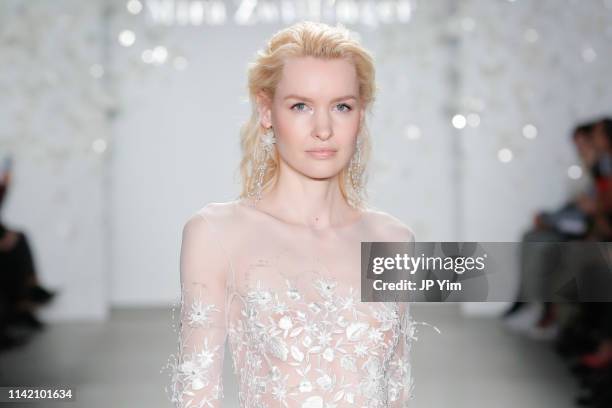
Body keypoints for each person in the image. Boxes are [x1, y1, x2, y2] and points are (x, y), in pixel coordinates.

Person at [164, 21, 439, 408]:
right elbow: (196, 395)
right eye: (300, 106)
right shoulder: (216, 235)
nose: (323, 129)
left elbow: (397, 390)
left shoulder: (393, 240)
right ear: (266, 111)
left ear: (361, 114)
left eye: (342, 106)